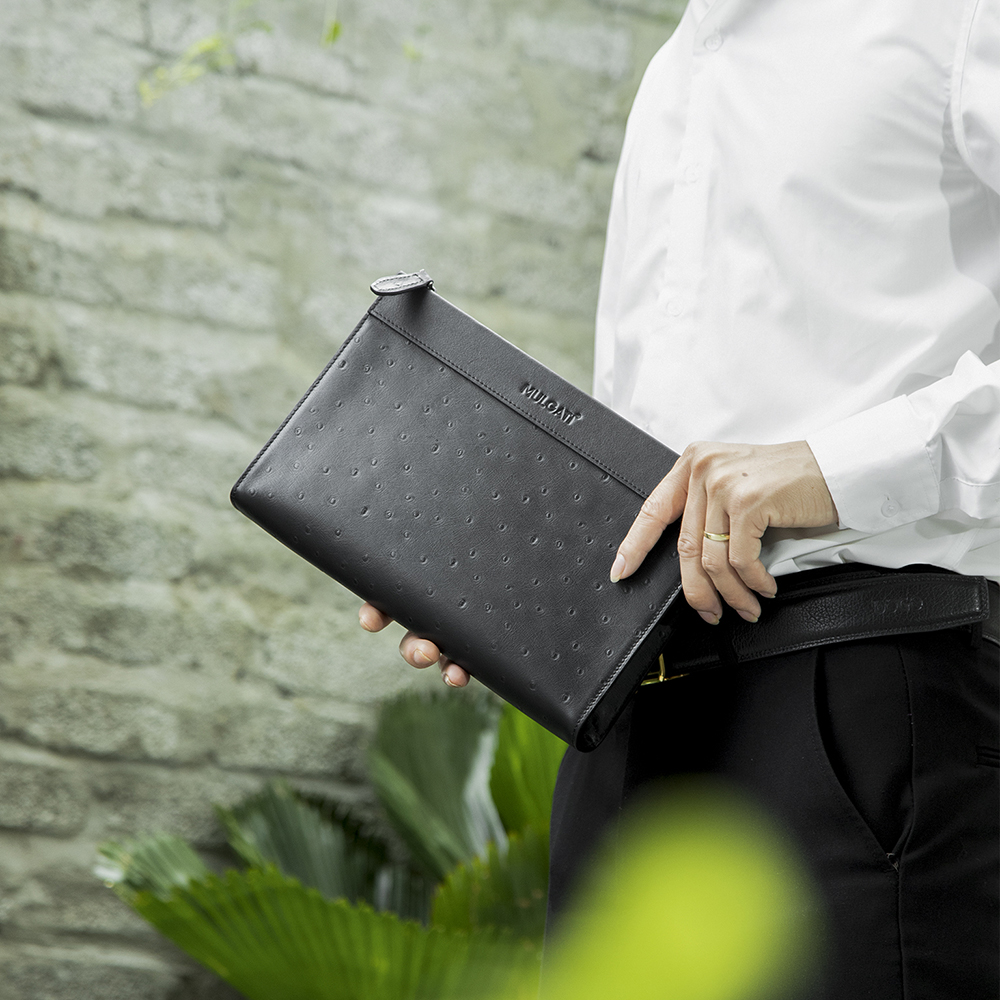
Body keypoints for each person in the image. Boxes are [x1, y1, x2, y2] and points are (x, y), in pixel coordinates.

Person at [360, 0, 1000, 995]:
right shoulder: (680, 64)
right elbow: (673, 450)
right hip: (625, 724)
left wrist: (831, 467)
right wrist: (516, 589)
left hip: (857, 693)